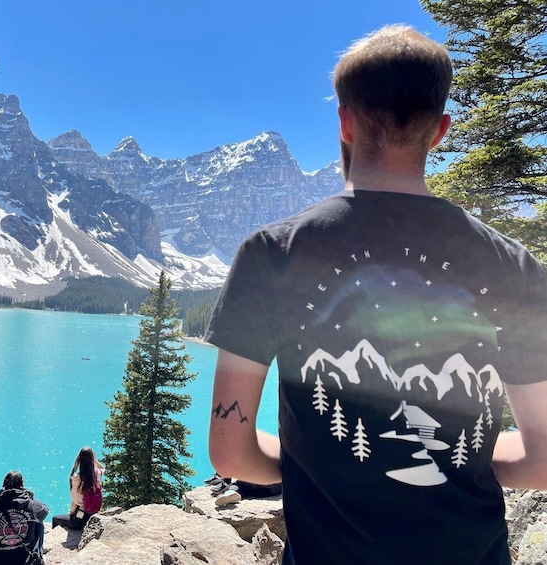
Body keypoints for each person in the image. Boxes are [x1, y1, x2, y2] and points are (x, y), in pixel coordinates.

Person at [206, 24, 547, 565]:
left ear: (345, 122)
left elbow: (230, 453)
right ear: (440, 130)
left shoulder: (272, 252)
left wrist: (313, 463)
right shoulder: (513, 264)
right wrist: (463, 461)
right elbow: (542, 459)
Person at [0, 471, 48, 565]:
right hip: (26, 560)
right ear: (22, 485)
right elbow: (45, 510)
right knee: (39, 522)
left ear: (4, 486)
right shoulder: (31, 504)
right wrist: (30, 495)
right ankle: (38, 557)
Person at [51, 446, 104, 530]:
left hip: (80, 520)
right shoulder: (97, 474)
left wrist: (71, 513)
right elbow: (102, 468)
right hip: (93, 517)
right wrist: (94, 460)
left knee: (55, 519)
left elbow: (75, 501)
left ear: (80, 460)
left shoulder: (77, 478)